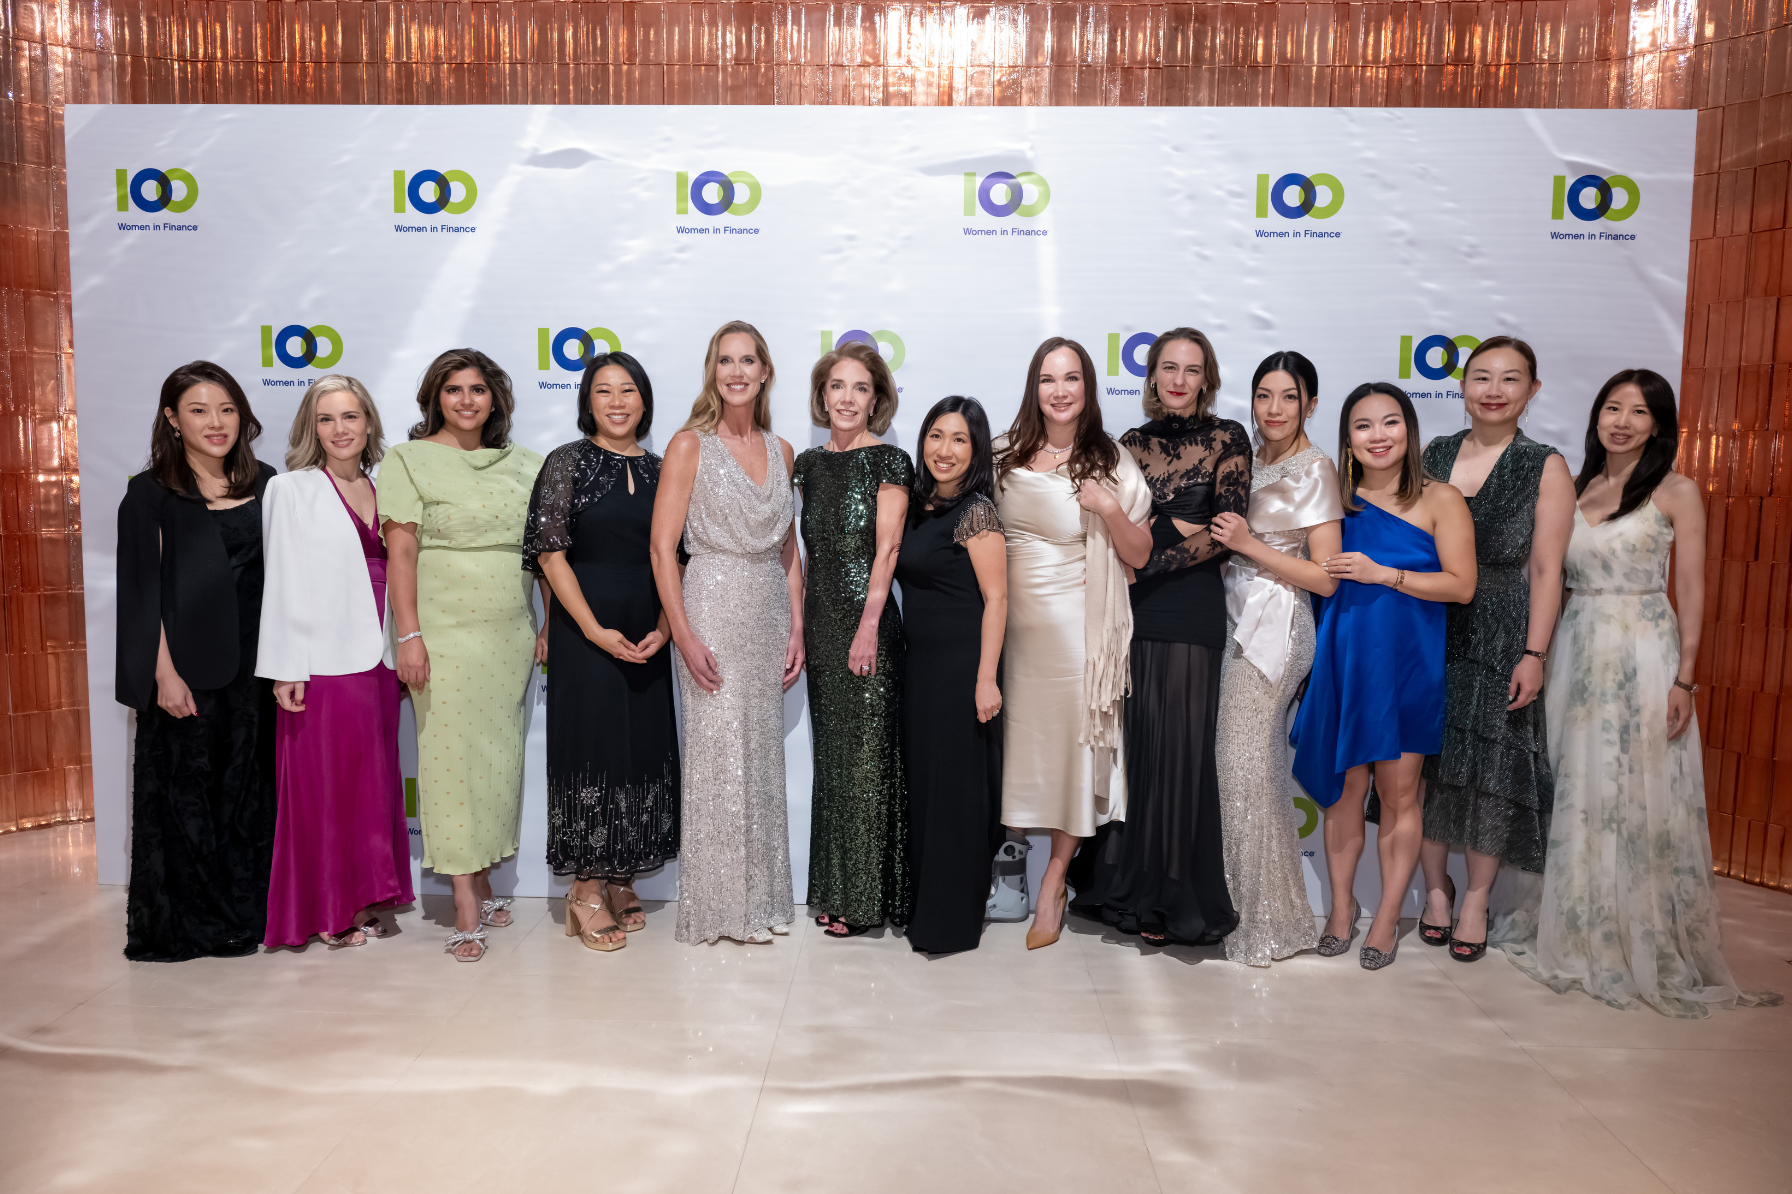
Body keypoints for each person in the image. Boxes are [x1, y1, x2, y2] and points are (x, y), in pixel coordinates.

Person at [1495, 370, 1782, 1015]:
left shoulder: (1677, 490)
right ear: (1596, 415)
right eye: (1613, 408)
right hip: (1576, 641)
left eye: (1640, 411)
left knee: (1641, 786)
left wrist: (1686, 675)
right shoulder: (1574, 486)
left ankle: (1638, 932)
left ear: (1659, 424)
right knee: (1574, 781)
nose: (1623, 421)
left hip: (1645, 649)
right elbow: (1549, 574)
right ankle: (1571, 923)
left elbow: (1694, 589)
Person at [1290, 382, 1476, 969]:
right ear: (1347, 438)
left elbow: (1461, 585)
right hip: (1343, 662)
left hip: (1408, 667)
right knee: (1344, 793)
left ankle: (1389, 920)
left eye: (1390, 422)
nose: (1378, 436)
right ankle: (1342, 910)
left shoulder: (1441, 499)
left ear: (1409, 430)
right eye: (1363, 426)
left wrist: (1382, 573)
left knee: (1400, 796)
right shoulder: (1331, 501)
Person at [1078, 328, 1247, 947]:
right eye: (1168, 368)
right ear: (1150, 377)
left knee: (1181, 751)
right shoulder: (1129, 445)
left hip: (1189, 610)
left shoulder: (1230, 438)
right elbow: (1120, 527)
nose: (1179, 379)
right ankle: (1131, 888)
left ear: (1207, 378)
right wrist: (1163, 530)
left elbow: (1226, 530)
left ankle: (1177, 895)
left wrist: (1149, 551)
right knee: (1139, 753)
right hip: (1131, 613)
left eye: (1192, 369)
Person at [379, 349, 546, 962]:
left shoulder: (525, 465)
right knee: (447, 760)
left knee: (499, 757)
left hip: (510, 631)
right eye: (454, 389)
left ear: (495, 399)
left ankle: (485, 879)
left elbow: (546, 553)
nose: (467, 400)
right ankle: (466, 908)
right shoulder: (408, 461)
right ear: (436, 398)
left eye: (479, 389)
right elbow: (401, 555)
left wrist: (549, 622)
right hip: (443, 631)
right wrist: (409, 634)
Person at [1414, 337, 1574, 962]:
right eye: (1481, 376)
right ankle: (1434, 889)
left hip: (1505, 629)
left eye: (1510, 379)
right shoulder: (1435, 455)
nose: (1494, 389)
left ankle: (1476, 898)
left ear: (1532, 392)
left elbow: (1546, 570)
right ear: (1462, 386)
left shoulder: (1545, 464)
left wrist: (1533, 654)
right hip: (1432, 624)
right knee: (1425, 764)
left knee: (1490, 771)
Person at [115, 361, 277, 961]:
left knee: (248, 798)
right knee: (187, 801)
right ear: (172, 419)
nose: (216, 423)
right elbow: (140, 594)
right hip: (186, 675)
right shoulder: (151, 491)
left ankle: (248, 914)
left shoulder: (266, 481)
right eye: (200, 410)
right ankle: (189, 925)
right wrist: (163, 673)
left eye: (227, 409)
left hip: (258, 674)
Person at [995, 337, 1153, 950]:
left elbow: (1139, 552)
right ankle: (1003, 869)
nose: (1059, 391)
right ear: (1034, 388)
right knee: (1009, 752)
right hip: (1005, 631)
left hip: (1072, 634)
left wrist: (1109, 508)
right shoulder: (1002, 454)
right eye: (1047, 379)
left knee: (1070, 757)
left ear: (1088, 388)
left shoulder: (1109, 459)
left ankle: (1053, 882)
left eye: (1071, 379)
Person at [651, 321, 805, 946]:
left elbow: (790, 551)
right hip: (710, 600)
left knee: (761, 758)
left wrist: (797, 625)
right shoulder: (689, 445)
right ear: (712, 372)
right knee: (719, 758)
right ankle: (717, 909)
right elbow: (663, 550)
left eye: (748, 360)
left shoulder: (784, 450)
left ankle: (762, 902)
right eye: (724, 361)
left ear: (766, 371)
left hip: (768, 607)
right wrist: (683, 634)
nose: (736, 372)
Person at [525, 351, 680, 953]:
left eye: (629, 391)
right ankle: (584, 890)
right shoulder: (567, 462)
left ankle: (620, 877)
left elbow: (681, 554)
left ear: (644, 400)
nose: (617, 402)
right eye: (603, 391)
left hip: (648, 630)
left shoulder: (668, 467)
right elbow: (549, 551)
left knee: (639, 751)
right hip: (584, 632)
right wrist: (588, 628)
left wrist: (666, 628)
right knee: (590, 753)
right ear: (587, 401)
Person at [258, 374, 413, 949]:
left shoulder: (386, 488)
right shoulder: (291, 489)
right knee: (324, 787)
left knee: (372, 780)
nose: (339, 429)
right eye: (326, 419)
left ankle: (367, 896)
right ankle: (328, 911)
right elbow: (281, 582)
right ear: (311, 427)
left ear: (368, 422)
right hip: (321, 660)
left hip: (381, 653)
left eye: (350, 417)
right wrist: (285, 665)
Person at [1210, 350, 1341, 965]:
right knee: (1250, 770)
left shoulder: (1317, 469)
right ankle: (1267, 914)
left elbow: (1325, 578)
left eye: (1289, 397)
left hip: (1278, 625)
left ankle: (1264, 923)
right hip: (1233, 619)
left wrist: (1247, 545)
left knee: (1242, 765)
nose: (1275, 409)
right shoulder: (1251, 460)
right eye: (1264, 395)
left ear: (1311, 403)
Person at [792, 341, 914, 938]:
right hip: (820, 622)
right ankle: (836, 886)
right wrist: (799, 628)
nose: (847, 398)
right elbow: (801, 555)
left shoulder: (889, 461)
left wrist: (867, 626)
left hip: (869, 628)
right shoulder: (808, 466)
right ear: (822, 395)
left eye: (860, 388)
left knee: (867, 761)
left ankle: (866, 897)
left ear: (876, 400)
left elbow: (888, 549)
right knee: (834, 763)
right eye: (837, 386)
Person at [896, 397, 1008, 954]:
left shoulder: (976, 511)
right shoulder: (920, 508)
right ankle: (926, 906)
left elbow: (997, 598)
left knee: (958, 795)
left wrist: (986, 678)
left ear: (977, 449)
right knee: (929, 790)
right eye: (936, 436)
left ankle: (951, 920)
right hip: (920, 669)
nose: (944, 450)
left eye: (959, 439)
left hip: (964, 668)